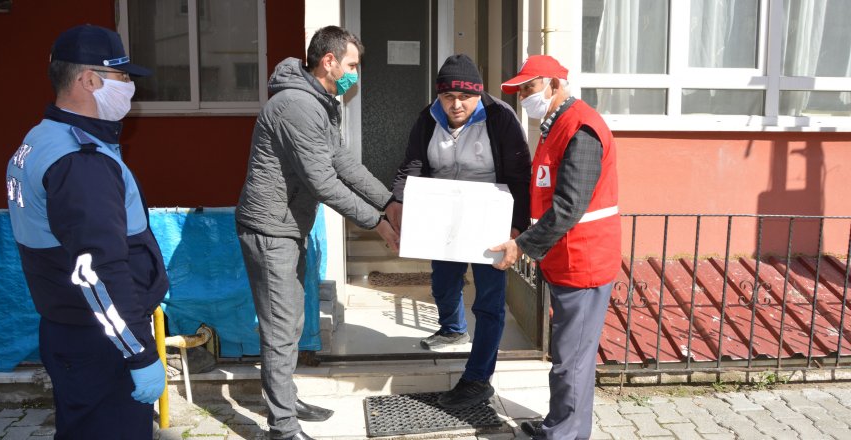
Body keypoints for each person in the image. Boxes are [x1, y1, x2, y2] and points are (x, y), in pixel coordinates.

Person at [235, 25, 400, 440]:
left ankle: (285, 400)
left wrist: (388, 202)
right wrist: (377, 224)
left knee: (291, 324)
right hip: (270, 230)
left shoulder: (322, 103)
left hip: (289, 228)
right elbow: (323, 182)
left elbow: (342, 162)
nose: (354, 76)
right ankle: (282, 427)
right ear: (328, 61)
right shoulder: (296, 105)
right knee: (280, 327)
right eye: (351, 66)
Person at [5, 24, 168, 439]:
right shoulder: (81, 161)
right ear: (90, 80)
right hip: (100, 341)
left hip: (75, 330)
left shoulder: (42, 137)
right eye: (123, 77)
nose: (130, 87)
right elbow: (98, 269)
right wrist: (139, 353)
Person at [386, 54, 531, 409]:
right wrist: (398, 200)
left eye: (464, 97)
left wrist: (517, 229)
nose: (456, 104)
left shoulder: (501, 118)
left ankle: (479, 378)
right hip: (443, 214)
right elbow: (413, 163)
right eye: (448, 96)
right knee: (443, 280)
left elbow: (519, 177)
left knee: (489, 301)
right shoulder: (428, 117)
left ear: (478, 95)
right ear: (439, 96)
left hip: (489, 218)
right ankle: (453, 329)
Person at [490, 55, 621, 439]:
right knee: (569, 356)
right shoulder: (556, 124)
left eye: (529, 88)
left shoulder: (580, 128)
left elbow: (569, 205)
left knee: (572, 360)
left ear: (554, 84)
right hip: (567, 259)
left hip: (585, 261)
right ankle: (560, 424)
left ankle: (564, 434)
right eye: (520, 91)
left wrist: (521, 247)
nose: (524, 98)